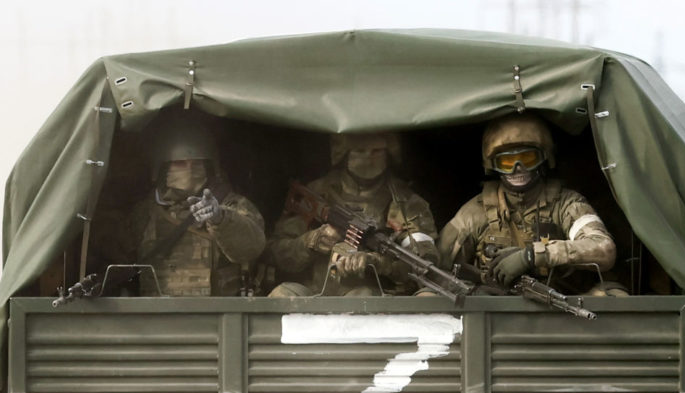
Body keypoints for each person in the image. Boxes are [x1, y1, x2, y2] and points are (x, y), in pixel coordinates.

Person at [438, 112, 619, 294]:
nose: (518, 169)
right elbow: (434, 268)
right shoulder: (474, 213)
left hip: (565, 308)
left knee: (615, 294)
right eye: (507, 162)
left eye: (527, 159)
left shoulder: (568, 204)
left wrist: (533, 255)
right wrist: (472, 292)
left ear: (544, 158)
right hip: (498, 312)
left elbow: (603, 249)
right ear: (493, 165)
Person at [266, 132, 439, 297]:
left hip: (368, 297)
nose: (368, 157)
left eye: (376, 151)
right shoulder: (316, 194)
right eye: (360, 151)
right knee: (282, 294)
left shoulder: (404, 202)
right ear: (345, 153)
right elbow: (275, 253)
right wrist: (310, 242)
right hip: (314, 292)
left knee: (363, 297)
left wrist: (379, 263)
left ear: (388, 154)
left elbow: (422, 263)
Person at [125, 124, 266, 296]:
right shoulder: (145, 213)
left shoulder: (233, 205)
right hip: (156, 317)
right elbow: (119, 258)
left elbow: (251, 248)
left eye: (197, 163)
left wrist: (220, 218)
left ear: (210, 167)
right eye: (179, 163)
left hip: (219, 316)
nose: (190, 170)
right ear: (162, 168)